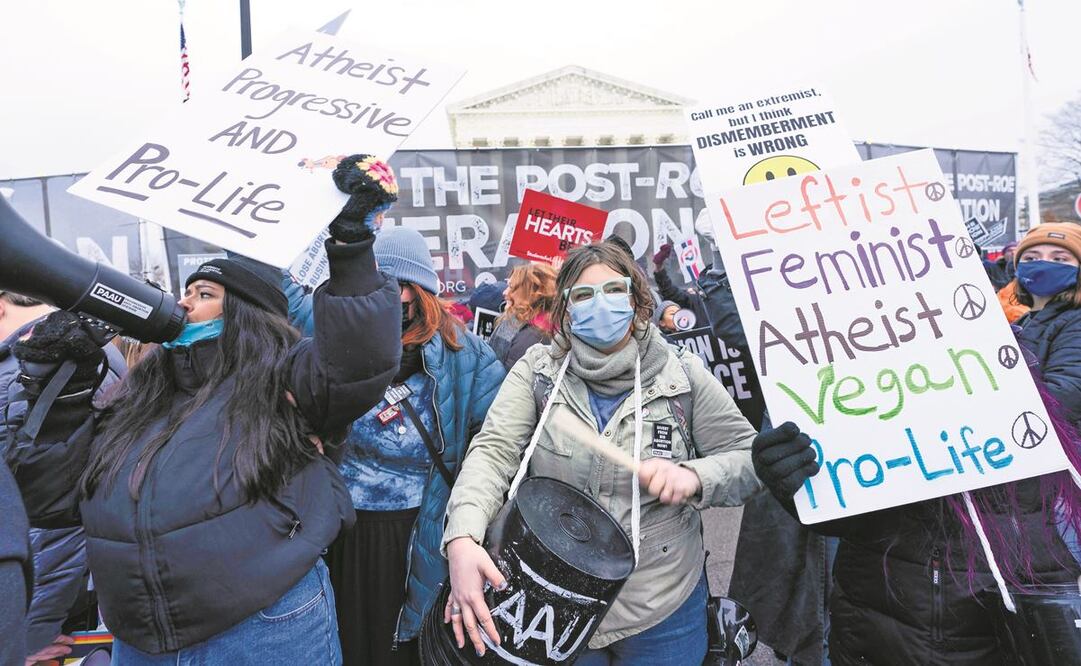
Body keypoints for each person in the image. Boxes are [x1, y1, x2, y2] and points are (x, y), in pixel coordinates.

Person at [9, 153, 403, 664]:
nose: (185, 303)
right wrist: (59, 390)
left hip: (261, 632)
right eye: (186, 291)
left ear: (245, 315)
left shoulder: (284, 379)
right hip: (140, 642)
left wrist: (351, 242)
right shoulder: (140, 395)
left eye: (205, 293)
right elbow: (50, 497)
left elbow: (360, 359)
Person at [752, 223, 1081, 666]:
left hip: (999, 613)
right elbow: (840, 517)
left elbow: (1058, 406)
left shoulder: (1013, 358)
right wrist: (796, 481)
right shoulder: (858, 375)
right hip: (878, 623)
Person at [442, 240, 762, 665]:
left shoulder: (683, 375)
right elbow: (493, 452)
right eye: (584, 295)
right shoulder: (537, 370)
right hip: (554, 602)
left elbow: (748, 457)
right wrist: (462, 538)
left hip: (661, 607)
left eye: (614, 290)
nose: (602, 304)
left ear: (636, 299)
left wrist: (695, 476)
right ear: (566, 309)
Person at [323, 226, 505, 666]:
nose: (387, 299)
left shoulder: (468, 356)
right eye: (375, 287)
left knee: (411, 651)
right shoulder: (335, 352)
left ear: (419, 292)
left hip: (422, 531)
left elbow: (498, 448)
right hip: (345, 537)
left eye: (397, 287)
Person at [0, 291, 126, 664]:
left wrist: (26, 633)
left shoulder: (38, 367)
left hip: (34, 618)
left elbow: (52, 518)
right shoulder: (71, 351)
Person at [1011, 222, 1081, 423]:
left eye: (1059, 259)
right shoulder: (1024, 320)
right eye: (1031, 258)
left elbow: (1066, 395)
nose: (1043, 264)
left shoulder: (1076, 320)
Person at [487, 262, 556, 370]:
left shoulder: (533, 336)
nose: (505, 292)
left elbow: (506, 377)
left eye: (511, 287)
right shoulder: (514, 320)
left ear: (531, 294)